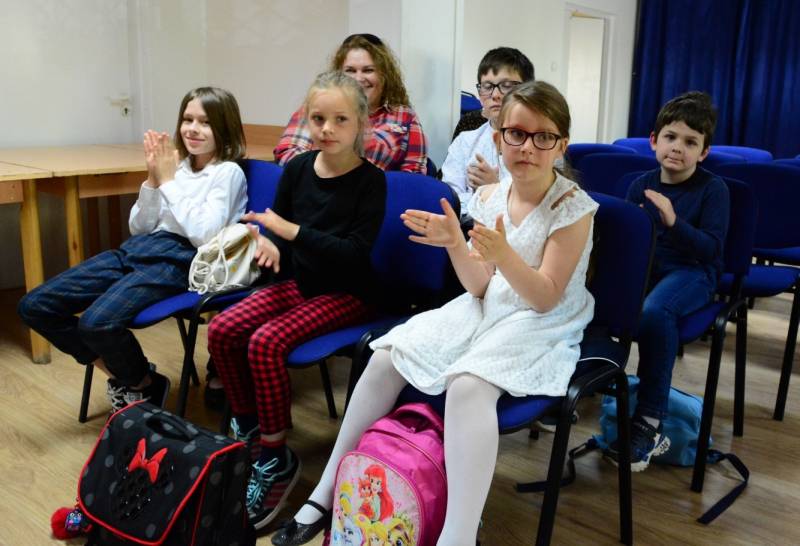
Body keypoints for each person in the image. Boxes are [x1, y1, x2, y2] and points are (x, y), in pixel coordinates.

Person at [272, 80, 598, 546]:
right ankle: (325, 491)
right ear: (499, 137)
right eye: (516, 134)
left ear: (561, 145)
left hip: (542, 319)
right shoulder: (491, 195)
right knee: (387, 354)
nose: (528, 147)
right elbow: (480, 286)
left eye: (543, 136)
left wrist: (503, 255)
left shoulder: (572, 207)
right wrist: (456, 246)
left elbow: (544, 297)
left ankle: (457, 534)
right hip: (490, 303)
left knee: (468, 385)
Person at [207, 71, 386, 531]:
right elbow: (278, 232)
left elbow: (353, 254)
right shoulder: (299, 168)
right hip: (302, 282)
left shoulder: (371, 182)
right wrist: (268, 242)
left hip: (349, 293)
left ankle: (274, 456)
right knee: (223, 329)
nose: (327, 128)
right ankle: (250, 431)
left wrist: (289, 232)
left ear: (360, 122)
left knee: (265, 343)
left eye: (340, 119)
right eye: (318, 118)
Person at [17, 87, 248, 412]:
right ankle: (138, 380)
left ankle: (136, 383)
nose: (193, 129)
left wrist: (167, 181)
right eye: (188, 119)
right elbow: (139, 227)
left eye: (205, 122)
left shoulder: (227, 172)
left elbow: (204, 235)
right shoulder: (177, 167)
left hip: (180, 261)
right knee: (35, 306)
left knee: (96, 323)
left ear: (224, 126)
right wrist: (153, 181)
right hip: (138, 249)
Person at [607, 91, 729, 471]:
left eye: (690, 142)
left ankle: (649, 419)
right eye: (671, 137)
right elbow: (629, 244)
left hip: (694, 273)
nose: (678, 147)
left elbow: (711, 250)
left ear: (704, 152)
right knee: (591, 297)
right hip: (649, 270)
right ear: (654, 140)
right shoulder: (639, 184)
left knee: (655, 311)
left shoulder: (714, 190)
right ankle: (574, 392)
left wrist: (673, 222)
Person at [273, 33, 428, 174]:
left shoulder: (404, 116)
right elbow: (288, 153)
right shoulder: (318, 108)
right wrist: (328, 175)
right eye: (350, 71)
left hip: (377, 194)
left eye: (368, 70)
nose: (358, 79)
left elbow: (414, 177)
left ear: (384, 75)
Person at [441, 47, 534, 213]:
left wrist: (495, 189)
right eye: (487, 86)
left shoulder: (541, 143)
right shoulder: (465, 141)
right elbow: (451, 200)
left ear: (528, 90)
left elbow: (539, 206)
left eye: (506, 86)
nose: (495, 95)